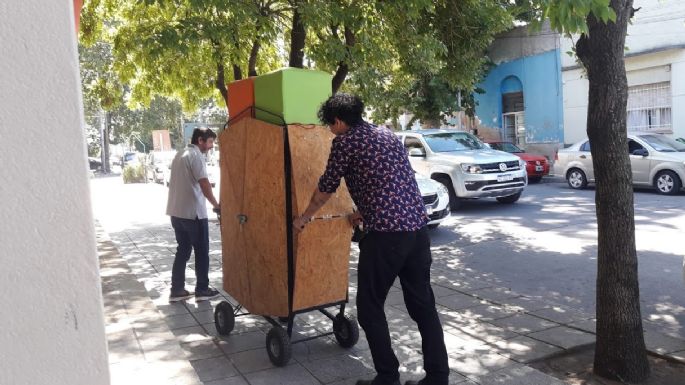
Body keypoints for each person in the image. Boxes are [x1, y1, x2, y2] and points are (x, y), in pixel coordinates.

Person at [293, 94, 449, 385]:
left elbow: (326, 188)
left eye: (330, 123)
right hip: (417, 231)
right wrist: (363, 211)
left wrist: (304, 217)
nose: (329, 129)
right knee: (423, 306)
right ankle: (438, 378)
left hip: (387, 237)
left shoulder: (345, 142)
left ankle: (387, 377)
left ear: (339, 121)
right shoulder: (386, 135)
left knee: (369, 307)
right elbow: (389, 179)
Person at [166, 127, 221, 302]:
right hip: (193, 214)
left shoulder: (180, 154)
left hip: (176, 212)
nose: (211, 146)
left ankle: (177, 290)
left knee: (182, 251)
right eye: (210, 141)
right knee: (202, 251)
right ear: (200, 141)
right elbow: (204, 183)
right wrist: (216, 205)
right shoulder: (196, 156)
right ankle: (202, 290)